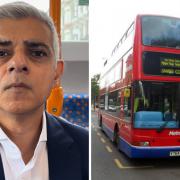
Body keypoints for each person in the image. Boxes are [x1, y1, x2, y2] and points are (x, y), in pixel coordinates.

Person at [0, 2, 88, 180]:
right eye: (1, 53)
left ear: (57, 72)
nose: (18, 64)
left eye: (37, 53)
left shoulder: (84, 147)